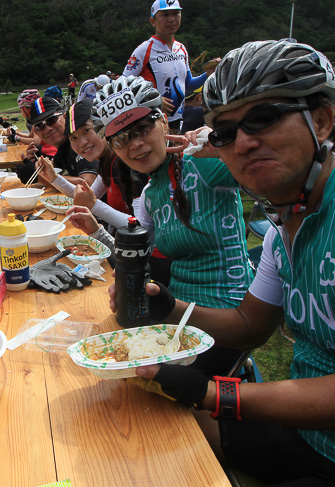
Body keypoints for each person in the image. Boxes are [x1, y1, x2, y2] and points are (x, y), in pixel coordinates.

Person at [122, 40, 335, 486]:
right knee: (145, 433)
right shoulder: (285, 227)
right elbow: (249, 324)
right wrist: (168, 307)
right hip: (302, 433)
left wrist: (213, 392)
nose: (243, 142)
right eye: (224, 132)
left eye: (263, 118)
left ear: (320, 121)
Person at [98, 75, 253, 375]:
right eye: (121, 139)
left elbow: (272, 183)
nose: (136, 145)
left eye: (142, 129)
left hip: (229, 315)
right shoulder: (150, 194)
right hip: (177, 313)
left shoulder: (203, 161)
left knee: (167, 394)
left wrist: (226, 146)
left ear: (164, 122)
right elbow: (135, 252)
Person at [36, 99, 147, 229]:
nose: (82, 142)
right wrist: (53, 178)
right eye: (74, 138)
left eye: (87, 130)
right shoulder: (108, 161)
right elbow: (86, 195)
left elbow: (141, 228)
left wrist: (94, 205)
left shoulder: (124, 163)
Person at [122, 0, 219, 131]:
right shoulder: (144, 50)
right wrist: (151, 99)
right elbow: (122, 85)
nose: (172, 19)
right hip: (152, 123)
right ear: (153, 21)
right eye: (165, 15)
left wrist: (208, 74)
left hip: (178, 122)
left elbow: (188, 85)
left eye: (176, 13)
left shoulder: (181, 49)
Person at [22, 97, 99, 186]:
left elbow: (88, 183)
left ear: (65, 117)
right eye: (40, 126)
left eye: (52, 120)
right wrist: (36, 164)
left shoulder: (79, 143)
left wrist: (40, 177)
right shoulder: (63, 147)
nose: (47, 129)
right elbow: (52, 168)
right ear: (36, 132)